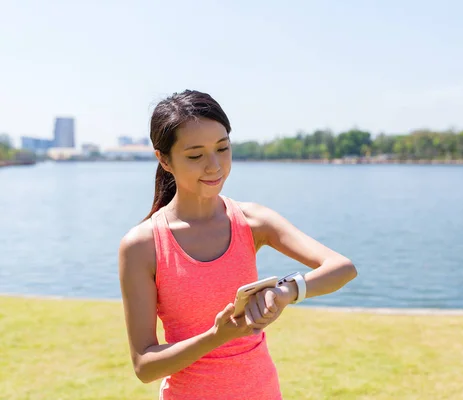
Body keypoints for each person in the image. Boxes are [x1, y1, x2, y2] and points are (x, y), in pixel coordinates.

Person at [118, 90, 358, 400]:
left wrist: (284, 292)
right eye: (195, 155)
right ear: (164, 159)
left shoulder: (252, 220)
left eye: (223, 148)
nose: (214, 165)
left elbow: (342, 268)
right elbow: (145, 366)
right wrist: (216, 337)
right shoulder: (143, 245)